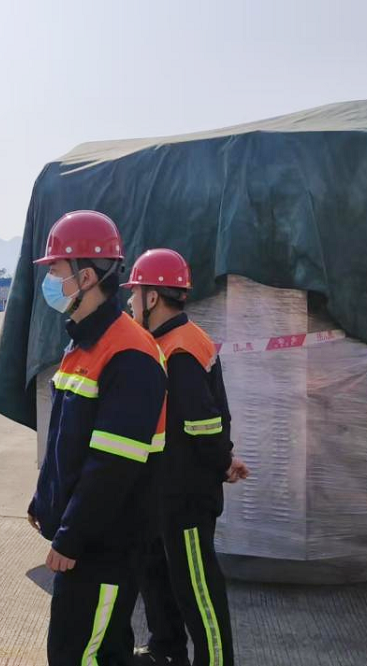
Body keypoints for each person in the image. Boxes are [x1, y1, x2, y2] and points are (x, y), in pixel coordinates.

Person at [28, 210, 167, 666]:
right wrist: (44, 500)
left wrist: (70, 538)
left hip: (105, 543)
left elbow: (113, 466)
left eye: (55, 269)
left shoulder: (130, 353)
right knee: (93, 648)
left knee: (81, 655)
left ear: (86, 277)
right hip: (87, 539)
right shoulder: (84, 342)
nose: (49, 280)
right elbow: (66, 441)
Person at [124, 249, 249, 666]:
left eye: (134, 293)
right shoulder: (170, 341)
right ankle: (166, 651)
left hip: (185, 498)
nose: (129, 301)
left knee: (198, 588)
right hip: (163, 492)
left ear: (152, 297)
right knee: (158, 577)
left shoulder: (179, 350)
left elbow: (203, 424)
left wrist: (222, 462)